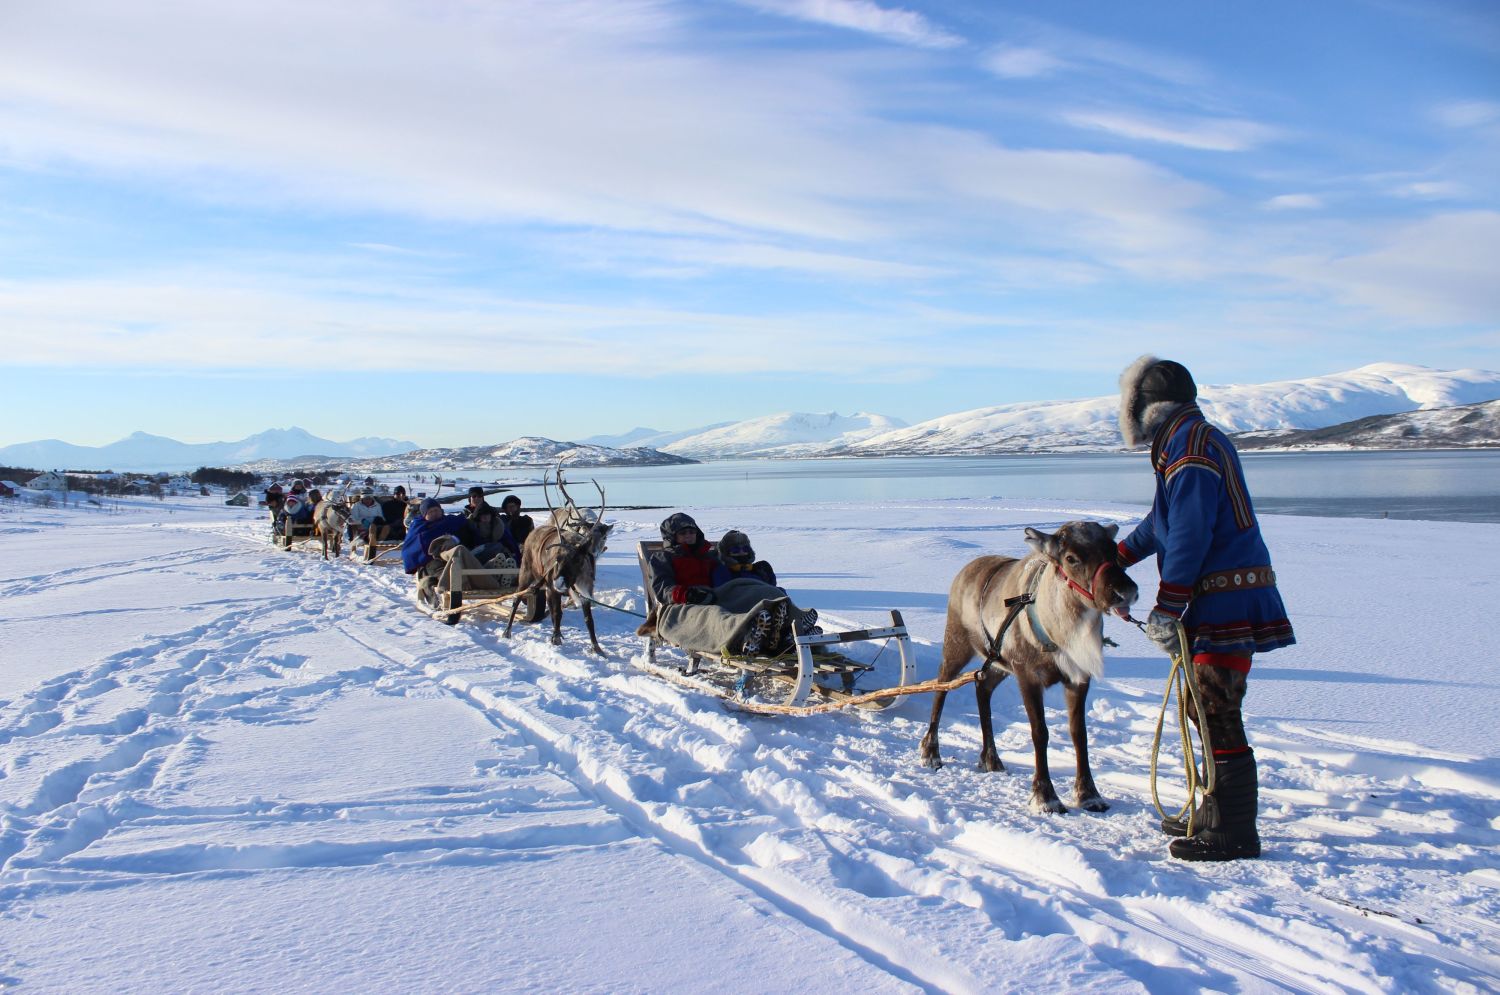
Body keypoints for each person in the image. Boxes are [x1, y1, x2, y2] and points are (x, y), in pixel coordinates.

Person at [1116, 355, 1296, 862]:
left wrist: (1168, 606)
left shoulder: (1188, 449)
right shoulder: (1189, 440)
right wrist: (1116, 558)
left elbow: (1191, 532)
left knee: (1215, 707)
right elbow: (1162, 522)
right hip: (1223, 594)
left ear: (1143, 409)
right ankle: (1216, 812)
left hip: (1222, 599)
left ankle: (1234, 830)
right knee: (1203, 705)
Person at [401, 498, 497, 609]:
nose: (435, 514)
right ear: (424, 515)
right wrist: (438, 544)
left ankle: (493, 569)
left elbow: (469, 535)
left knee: (489, 549)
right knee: (443, 572)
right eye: (430, 512)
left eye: (436, 510)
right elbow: (410, 549)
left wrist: (454, 538)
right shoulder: (419, 528)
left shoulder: (452, 521)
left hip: (463, 556)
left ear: (441, 511)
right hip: (433, 562)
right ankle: (439, 586)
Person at [347, 488, 389, 552]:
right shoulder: (356, 506)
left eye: (369, 498)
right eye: (366, 499)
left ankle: (380, 539)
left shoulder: (377, 505)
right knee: (370, 531)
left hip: (376, 526)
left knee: (383, 525)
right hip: (362, 528)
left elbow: (381, 517)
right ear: (362, 498)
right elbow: (351, 520)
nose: (368, 500)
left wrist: (379, 521)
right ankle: (371, 539)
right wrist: (362, 521)